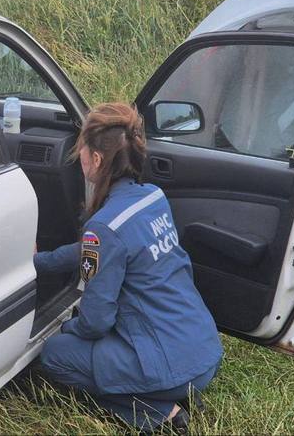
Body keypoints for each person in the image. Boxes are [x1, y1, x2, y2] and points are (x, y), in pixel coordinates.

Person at [35, 103, 223, 433]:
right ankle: (175, 391)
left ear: (96, 160)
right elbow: (96, 249)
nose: (79, 157)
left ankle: (161, 412)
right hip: (204, 353)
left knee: (55, 354)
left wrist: (68, 327)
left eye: (82, 150)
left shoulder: (103, 227)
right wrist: (41, 262)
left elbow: (95, 323)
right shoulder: (153, 198)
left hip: (170, 367)